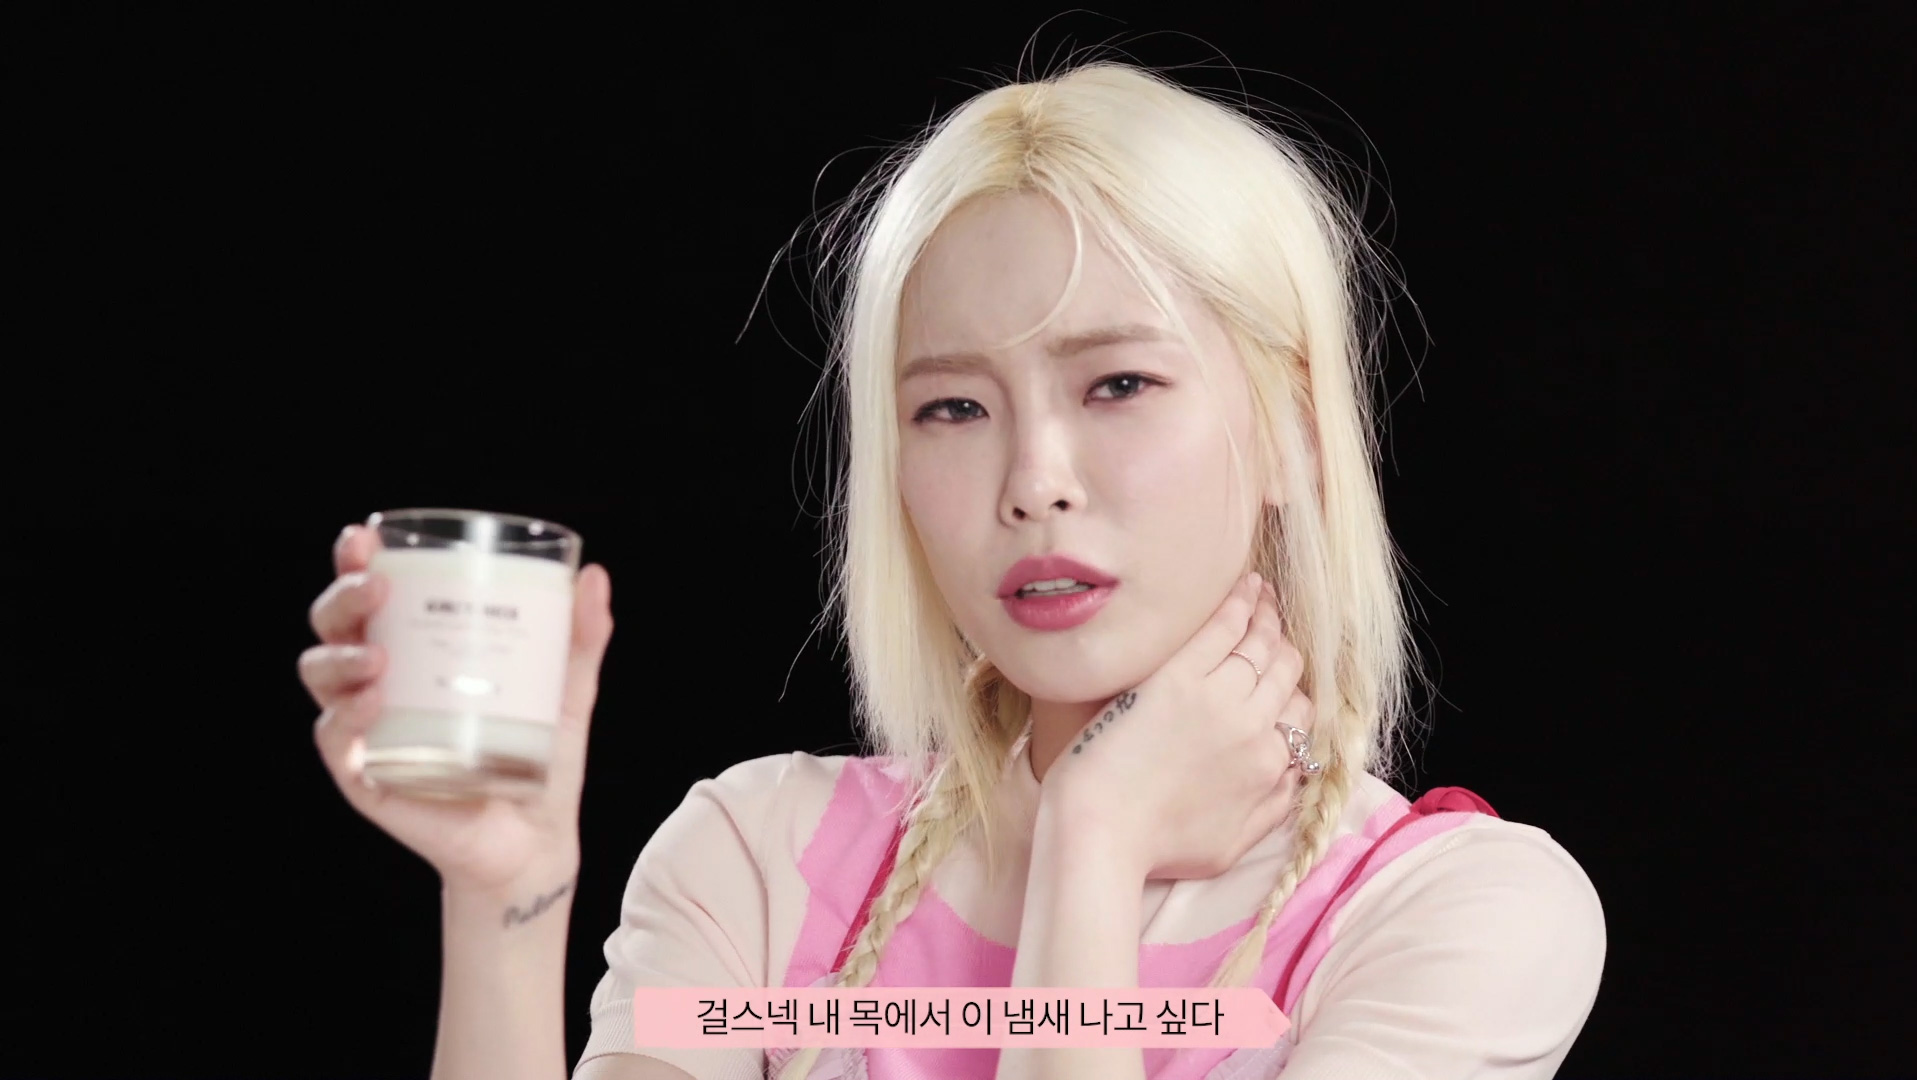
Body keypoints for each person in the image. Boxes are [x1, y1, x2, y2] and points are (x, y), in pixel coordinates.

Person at [301, 61, 1606, 1080]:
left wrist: (1095, 840)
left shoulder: (1456, 916)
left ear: (1297, 432)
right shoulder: (761, 857)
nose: (1034, 479)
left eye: (1118, 384)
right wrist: (504, 895)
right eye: (953, 408)